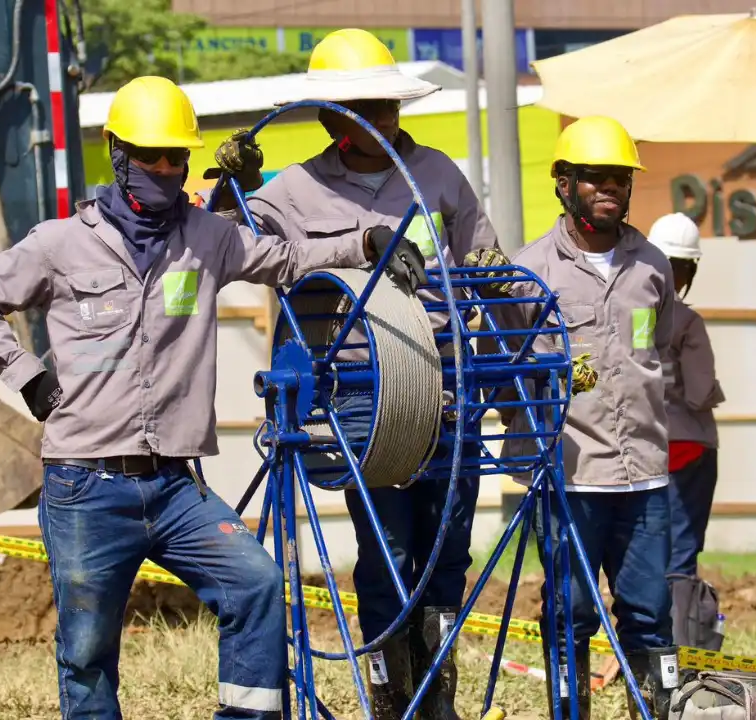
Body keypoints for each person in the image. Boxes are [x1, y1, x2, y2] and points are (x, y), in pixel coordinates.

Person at [0, 75, 424, 720]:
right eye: (152, 156)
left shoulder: (208, 237)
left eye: (178, 158)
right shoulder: (59, 244)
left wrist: (364, 243)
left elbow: (286, 259)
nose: (167, 169)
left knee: (255, 585)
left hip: (175, 487)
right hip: (86, 486)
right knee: (87, 648)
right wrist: (26, 373)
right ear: (118, 153)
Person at [206, 28, 504, 720]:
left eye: (388, 103)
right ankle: (389, 695)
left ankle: (436, 694)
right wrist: (235, 183)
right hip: (366, 396)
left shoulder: (438, 175)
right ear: (331, 118)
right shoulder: (298, 190)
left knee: (447, 552)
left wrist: (505, 333)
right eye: (364, 104)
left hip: (449, 390)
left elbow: (486, 262)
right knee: (388, 553)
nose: (382, 115)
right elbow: (225, 243)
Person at [495, 115, 678, 720]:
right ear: (563, 185)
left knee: (650, 612)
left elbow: (661, 349)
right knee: (569, 609)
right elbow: (503, 368)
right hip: (570, 478)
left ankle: (650, 710)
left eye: (619, 178)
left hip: (646, 472)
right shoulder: (529, 272)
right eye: (594, 177)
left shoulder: (652, 264)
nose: (609, 188)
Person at [647, 213, 725, 580]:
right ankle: (680, 631)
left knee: (646, 552)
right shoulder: (687, 321)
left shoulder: (627, 313)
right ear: (688, 270)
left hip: (641, 450)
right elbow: (699, 393)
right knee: (681, 552)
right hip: (688, 450)